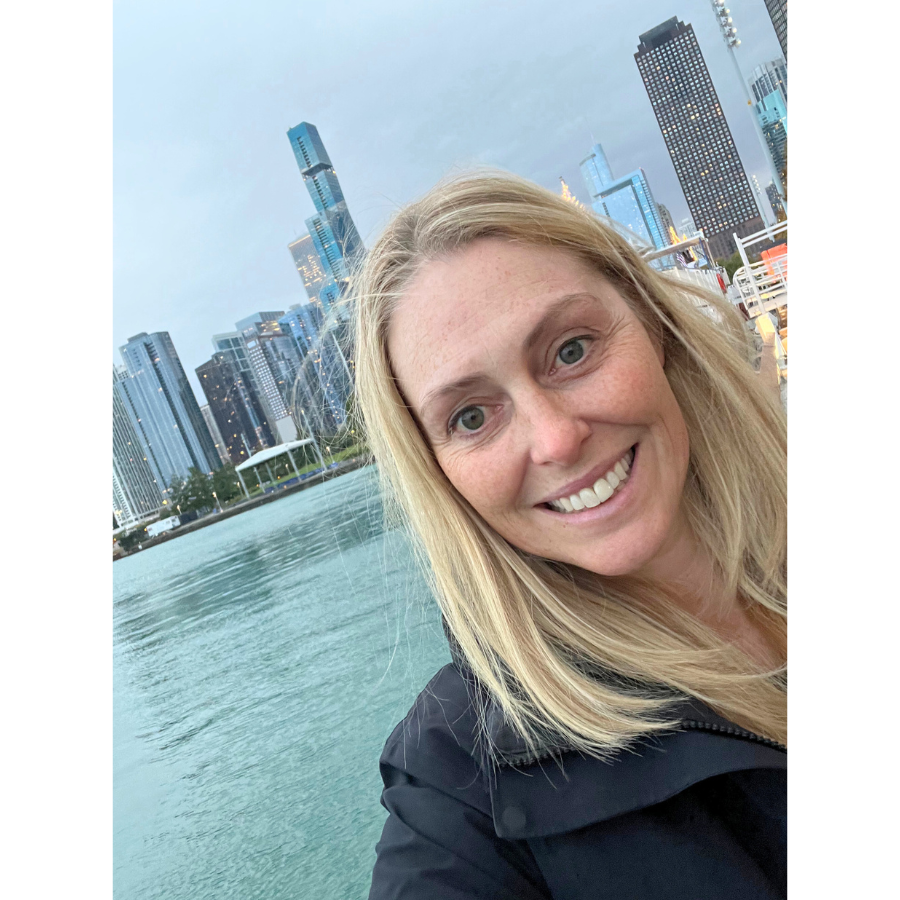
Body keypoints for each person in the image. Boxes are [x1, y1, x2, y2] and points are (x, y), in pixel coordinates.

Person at [353, 172, 786, 899]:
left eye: (572, 349)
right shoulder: (460, 781)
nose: (555, 439)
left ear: (652, 323)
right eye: (471, 417)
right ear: (440, 475)